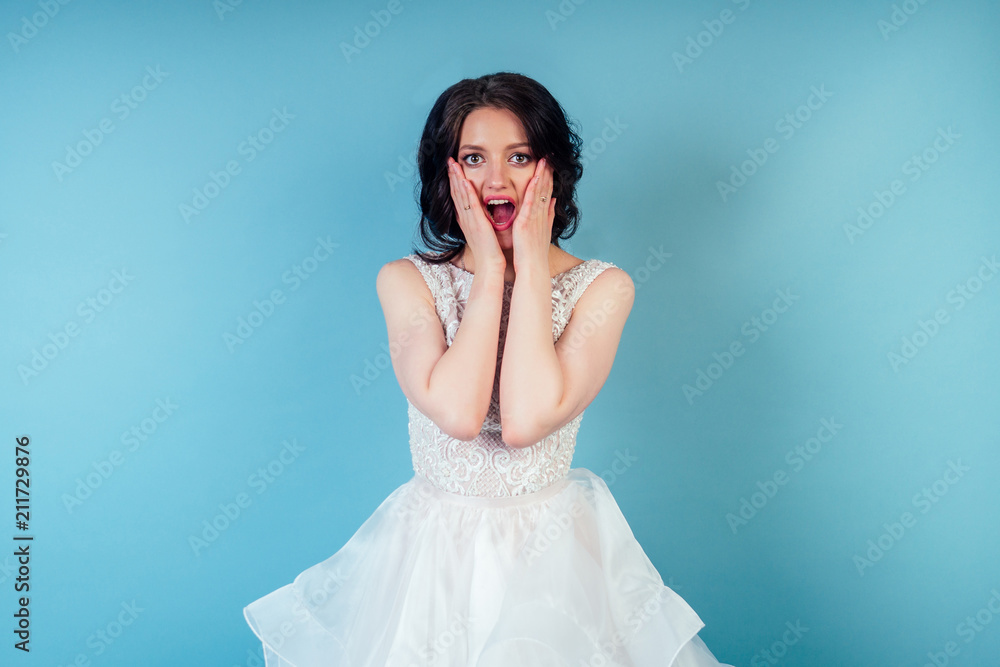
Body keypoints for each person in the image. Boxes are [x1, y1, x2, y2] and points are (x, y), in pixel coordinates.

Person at [243, 72, 732, 666]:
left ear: (552, 170)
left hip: (551, 559)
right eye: (474, 158)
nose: (496, 180)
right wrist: (492, 272)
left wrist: (529, 261)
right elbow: (459, 415)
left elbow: (526, 421)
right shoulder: (406, 282)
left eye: (519, 157)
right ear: (447, 173)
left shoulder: (603, 289)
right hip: (431, 560)